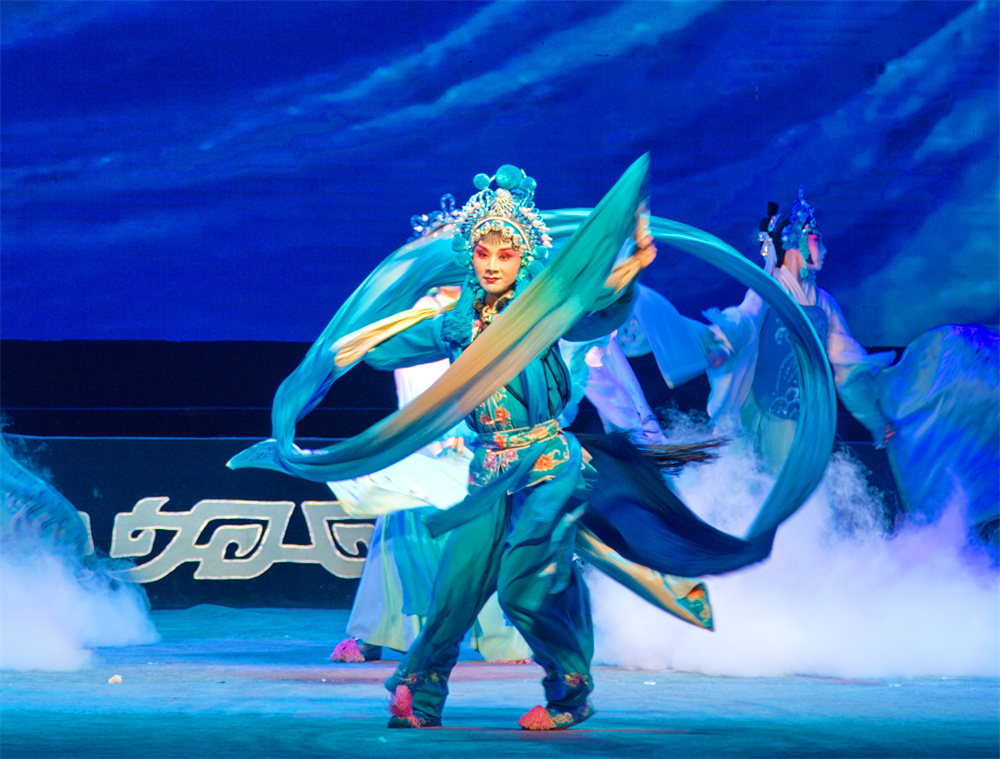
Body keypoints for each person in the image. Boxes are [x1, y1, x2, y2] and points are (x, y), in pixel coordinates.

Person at [228, 157, 838, 729]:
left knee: (525, 586)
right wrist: (369, 329)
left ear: (524, 256)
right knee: (458, 583)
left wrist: (631, 265)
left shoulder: (545, 309)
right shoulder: (457, 321)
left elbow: (600, 307)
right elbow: (385, 354)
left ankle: (570, 692)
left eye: (505, 253)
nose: (492, 264)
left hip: (548, 463)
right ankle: (421, 690)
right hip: (487, 469)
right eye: (483, 252)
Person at [702, 189, 895, 473]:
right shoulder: (768, 291)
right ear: (796, 241)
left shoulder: (823, 303)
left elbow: (848, 367)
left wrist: (875, 420)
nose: (824, 250)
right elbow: (744, 320)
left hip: (807, 422)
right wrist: (722, 345)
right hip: (764, 415)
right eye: (818, 240)